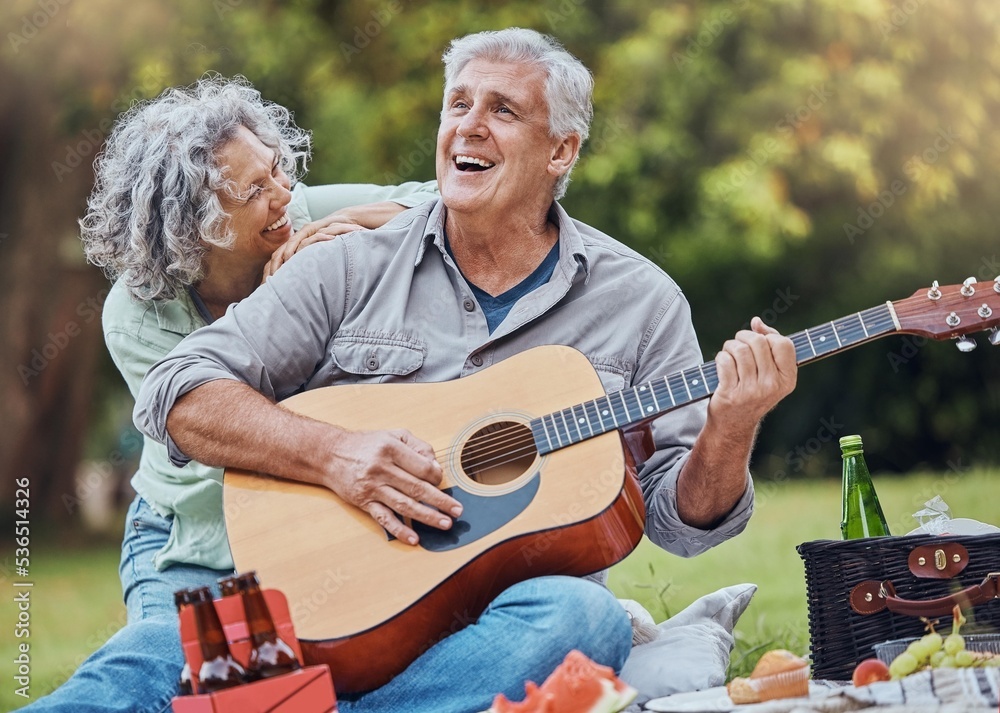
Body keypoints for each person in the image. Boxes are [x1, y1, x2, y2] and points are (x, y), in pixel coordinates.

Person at [138, 29, 797, 713]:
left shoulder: (641, 301)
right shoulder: (351, 261)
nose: (468, 128)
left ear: (562, 150)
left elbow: (679, 522)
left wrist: (732, 424)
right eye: (457, 105)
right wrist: (336, 454)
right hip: (333, 600)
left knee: (587, 622)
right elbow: (178, 390)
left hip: (508, 621)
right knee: (149, 654)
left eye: (503, 111)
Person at [23, 76, 437, 712]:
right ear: (197, 228)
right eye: (255, 192)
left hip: (315, 520)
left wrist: (352, 225)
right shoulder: (136, 317)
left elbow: (446, 206)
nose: (284, 194)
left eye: (276, 169)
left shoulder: (299, 217)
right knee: (164, 665)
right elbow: (240, 429)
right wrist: (285, 297)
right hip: (195, 539)